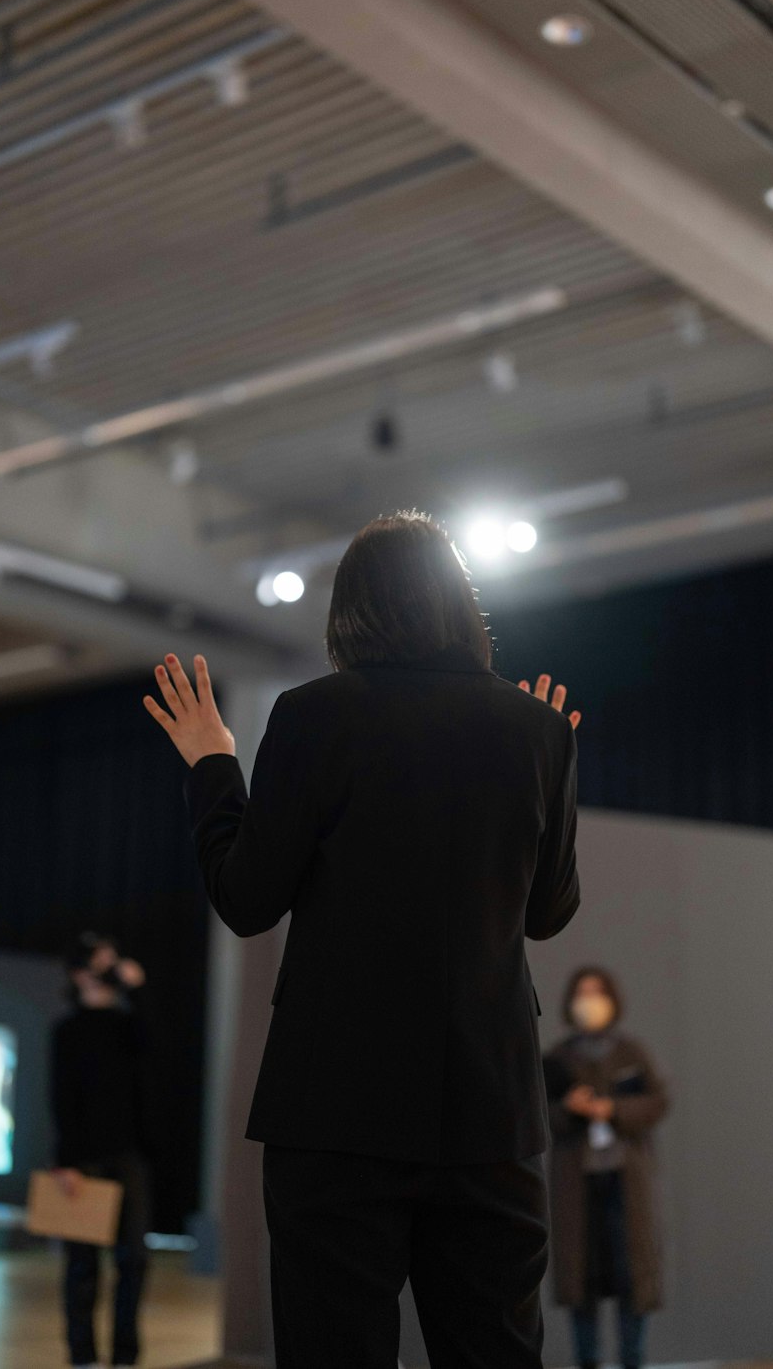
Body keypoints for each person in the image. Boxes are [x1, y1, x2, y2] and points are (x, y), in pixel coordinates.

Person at [144, 510, 581, 1369]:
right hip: (490, 1109)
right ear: (462, 603)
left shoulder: (315, 716)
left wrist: (212, 765)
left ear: (350, 614)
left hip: (335, 1106)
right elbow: (547, 912)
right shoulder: (537, 731)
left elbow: (247, 898)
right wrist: (544, 770)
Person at [543, 967, 669, 1369]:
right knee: (582, 1278)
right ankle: (588, 1360)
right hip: (576, 1183)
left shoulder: (631, 1052)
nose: (589, 1001)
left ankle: (633, 1359)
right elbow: (538, 1116)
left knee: (633, 1274)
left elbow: (657, 1101)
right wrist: (570, 1110)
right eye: (582, 993)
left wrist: (613, 1109)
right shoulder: (557, 1059)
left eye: (597, 992)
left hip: (625, 1179)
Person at [50, 933, 152, 1369]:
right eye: (102, 962)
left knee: (134, 1261)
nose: (111, 968)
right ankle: (83, 1357)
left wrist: (138, 990)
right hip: (84, 1160)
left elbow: (158, 1052)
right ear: (80, 973)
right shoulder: (67, 1030)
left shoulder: (128, 1025)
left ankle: (125, 1357)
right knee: (81, 1267)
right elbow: (62, 1099)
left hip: (129, 1155)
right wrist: (66, 1162)